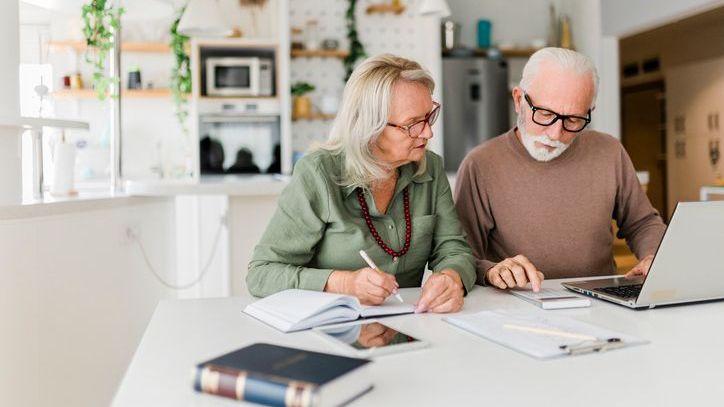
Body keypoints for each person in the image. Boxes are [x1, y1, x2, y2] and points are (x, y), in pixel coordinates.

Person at [247, 54, 476, 313]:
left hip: (409, 325)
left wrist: (451, 277)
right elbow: (262, 274)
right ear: (370, 127)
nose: (428, 132)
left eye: (429, 116)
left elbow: (453, 248)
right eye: (412, 124)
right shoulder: (318, 173)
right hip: (329, 330)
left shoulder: (430, 167)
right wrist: (344, 283)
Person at [454, 47, 667, 292]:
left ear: (589, 112)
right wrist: (491, 271)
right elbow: (460, 255)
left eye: (573, 120)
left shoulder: (609, 151)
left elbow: (642, 223)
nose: (556, 134)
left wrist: (654, 256)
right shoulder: (480, 165)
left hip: (598, 303)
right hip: (517, 307)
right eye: (544, 114)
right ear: (518, 100)